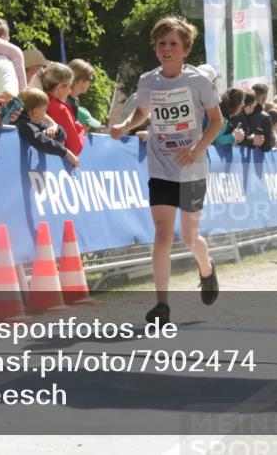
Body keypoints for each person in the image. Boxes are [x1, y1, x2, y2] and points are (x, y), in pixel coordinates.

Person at [110, 17, 223, 325]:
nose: (167, 49)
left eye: (174, 44)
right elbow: (143, 112)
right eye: (162, 43)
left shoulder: (198, 82)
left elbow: (217, 121)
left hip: (191, 168)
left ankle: (207, 269)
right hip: (160, 166)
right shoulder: (149, 81)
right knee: (162, 234)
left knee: (189, 238)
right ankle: (162, 305)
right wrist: (125, 126)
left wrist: (196, 149)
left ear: (185, 50)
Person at [15, 87, 79, 167]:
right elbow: (40, 141)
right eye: (44, 111)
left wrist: (56, 129)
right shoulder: (24, 124)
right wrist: (66, 153)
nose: (45, 115)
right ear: (35, 111)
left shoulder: (35, 121)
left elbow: (63, 136)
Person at [42, 62, 86, 158]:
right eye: (69, 86)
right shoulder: (60, 109)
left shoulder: (38, 99)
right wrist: (81, 129)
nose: (70, 91)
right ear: (60, 87)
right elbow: (76, 149)